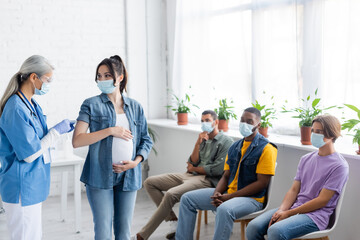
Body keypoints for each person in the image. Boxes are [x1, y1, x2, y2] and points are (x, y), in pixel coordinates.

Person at [72, 55, 153, 240]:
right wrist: (110, 130)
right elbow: (77, 140)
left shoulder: (135, 107)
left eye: (107, 75)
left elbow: (146, 140)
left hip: (129, 175)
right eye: (99, 76)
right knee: (103, 231)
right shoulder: (91, 104)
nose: (102, 80)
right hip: (99, 175)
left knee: (124, 232)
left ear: (120, 77)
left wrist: (136, 162)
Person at [0, 55, 75, 240]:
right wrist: (56, 132)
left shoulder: (31, 104)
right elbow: (30, 154)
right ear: (34, 77)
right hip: (21, 186)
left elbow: (36, 140)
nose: (49, 85)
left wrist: (57, 131)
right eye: (47, 80)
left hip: (31, 183)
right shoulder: (16, 108)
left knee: (33, 235)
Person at [175, 107, 278, 240]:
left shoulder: (267, 148)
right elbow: (226, 175)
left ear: (258, 125)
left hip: (252, 200)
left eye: (249, 121)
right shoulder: (234, 147)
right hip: (228, 195)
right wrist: (216, 194)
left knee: (224, 209)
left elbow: (261, 184)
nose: (244, 124)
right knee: (187, 199)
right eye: (242, 120)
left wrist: (229, 197)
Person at [134, 110, 233, 240]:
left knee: (170, 194)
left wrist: (195, 168)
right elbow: (192, 161)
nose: (204, 123)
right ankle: (173, 220)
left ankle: (142, 235)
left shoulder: (226, 141)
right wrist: (198, 143)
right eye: (202, 121)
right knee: (150, 182)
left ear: (216, 122)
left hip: (207, 180)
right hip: (190, 175)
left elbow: (217, 169)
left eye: (207, 120)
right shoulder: (203, 138)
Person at [246, 114, 349, 240]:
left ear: (332, 134)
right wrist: (282, 210)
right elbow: (294, 190)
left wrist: (288, 213)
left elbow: (322, 200)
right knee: (252, 227)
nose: (314, 134)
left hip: (316, 216)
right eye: (313, 131)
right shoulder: (306, 159)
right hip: (294, 208)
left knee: (276, 231)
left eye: (319, 132)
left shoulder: (339, 166)